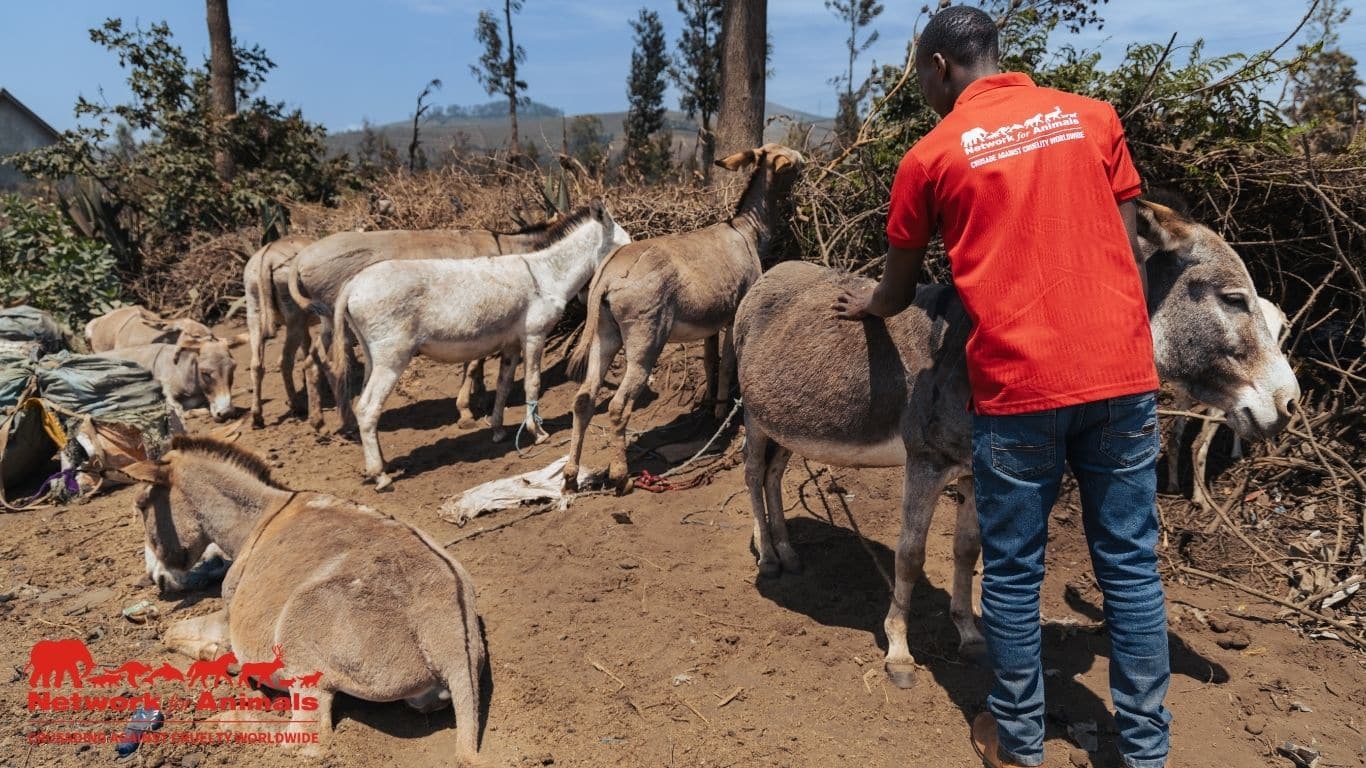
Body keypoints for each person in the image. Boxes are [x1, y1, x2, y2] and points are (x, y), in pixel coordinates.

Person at [832, 6, 1170, 768]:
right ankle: (1148, 751)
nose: (923, 92)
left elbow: (899, 287)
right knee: (1129, 566)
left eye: (921, 78)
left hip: (1020, 387)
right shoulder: (1093, 118)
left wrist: (870, 306)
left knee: (1014, 572)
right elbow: (1126, 257)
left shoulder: (931, 156)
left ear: (940, 67)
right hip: (1121, 377)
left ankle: (1018, 742)